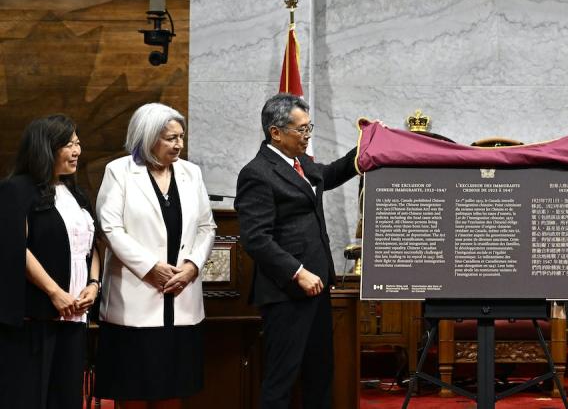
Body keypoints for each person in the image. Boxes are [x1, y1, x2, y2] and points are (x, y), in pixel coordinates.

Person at [235, 93, 360, 409]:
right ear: (276, 132)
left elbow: (329, 174)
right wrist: (297, 272)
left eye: (309, 128)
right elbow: (256, 239)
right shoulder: (257, 173)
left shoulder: (301, 163)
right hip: (287, 292)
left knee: (320, 373)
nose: (307, 136)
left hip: (317, 287)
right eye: (301, 130)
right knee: (282, 378)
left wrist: (366, 148)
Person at [95, 103, 216, 409]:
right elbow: (110, 227)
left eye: (181, 137)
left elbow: (206, 226)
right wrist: (149, 268)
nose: (179, 144)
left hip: (181, 297)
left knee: (174, 389)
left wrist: (192, 267)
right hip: (133, 301)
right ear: (148, 138)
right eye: (171, 138)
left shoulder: (192, 173)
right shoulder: (119, 171)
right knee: (133, 390)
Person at [0, 115, 100, 409]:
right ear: (46, 148)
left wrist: (94, 284)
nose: (77, 151)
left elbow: (92, 245)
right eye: (68, 144)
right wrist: (54, 292)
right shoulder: (16, 190)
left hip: (74, 316)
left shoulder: (75, 192)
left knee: (66, 398)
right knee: (27, 397)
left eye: (78, 143)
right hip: (36, 317)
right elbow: (15, 248)